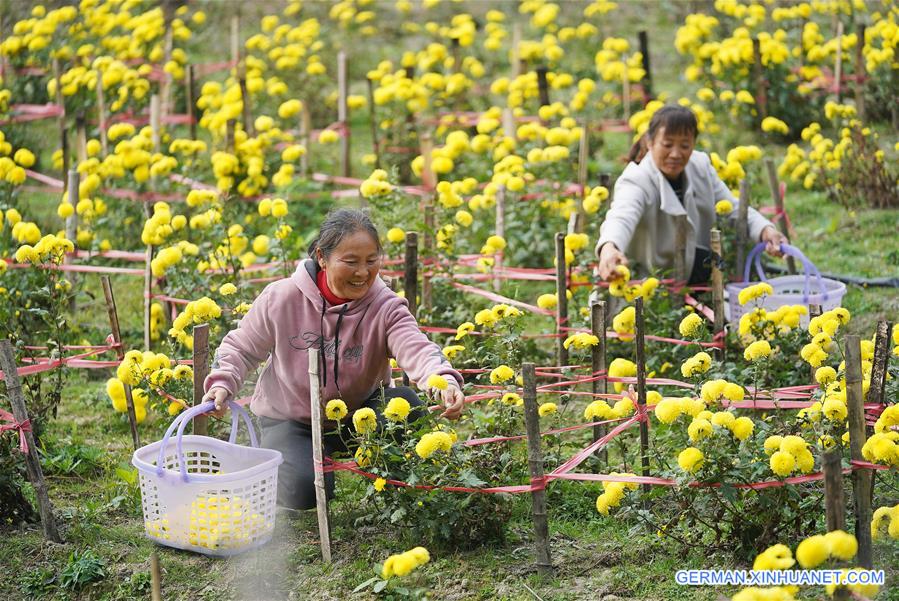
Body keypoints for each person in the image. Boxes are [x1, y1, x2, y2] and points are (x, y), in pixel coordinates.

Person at [202, 208, 465, 510]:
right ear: (322, 257)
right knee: (305, 491)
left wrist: (442, 380)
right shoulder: (282, 298)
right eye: (351, 262)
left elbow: (415, 347)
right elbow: (242, 347)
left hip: (359, 416)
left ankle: (395, 490)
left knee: (408, 404)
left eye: (371, 261)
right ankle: (281, 469)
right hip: (292, 420)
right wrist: (222, 383)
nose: (363, 272)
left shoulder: (385, 307)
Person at [595, 105, 787, 284]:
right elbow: (621, 217)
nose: (676, 154)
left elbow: (732, 208)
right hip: (649, 284)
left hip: (694, 272)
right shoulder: (637, 180)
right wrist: (609, 247)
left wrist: (765, 230)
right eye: (668, 145)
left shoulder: (700, 166)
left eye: (685, 146)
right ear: (650, 142)